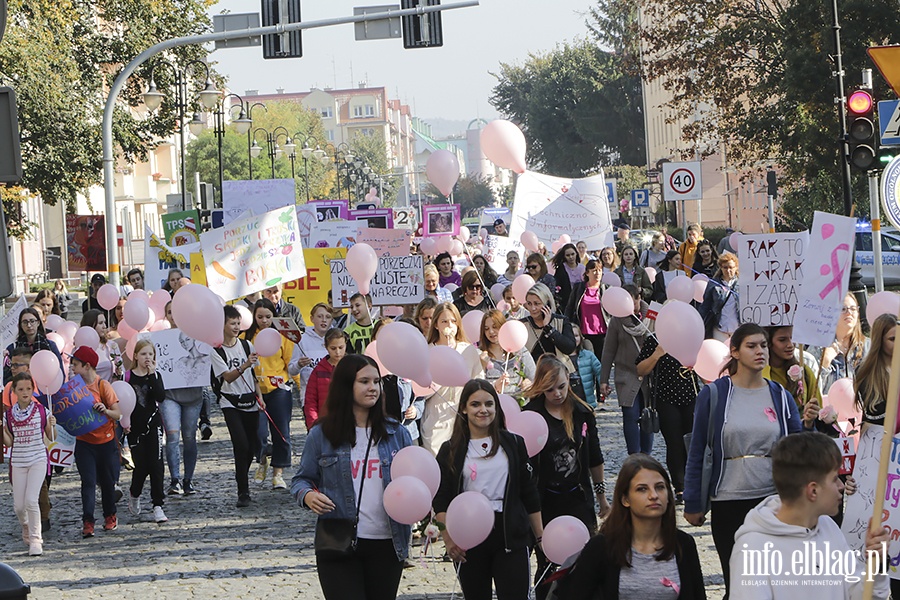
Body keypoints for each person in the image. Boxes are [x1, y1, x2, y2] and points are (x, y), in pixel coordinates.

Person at [683, 323, 811, 598]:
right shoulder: (715, 394)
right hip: (729, 500)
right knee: (739, 583)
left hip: (772, 500)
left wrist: (812, 423)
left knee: (775, 580)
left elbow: (797, 447)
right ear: (735, 352)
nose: (760, 351)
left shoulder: (780, 395)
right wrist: (694, 502)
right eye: (751, 346)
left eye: (763, 345)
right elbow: (698, 450)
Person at [292, 354, 414, 600]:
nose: (373, 388)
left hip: (387, 542)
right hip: (338, 541)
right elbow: (301, 479)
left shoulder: (396, 433)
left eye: (376, 381)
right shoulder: (322, 434)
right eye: (364, 381)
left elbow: (413, 482)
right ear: (347, 386)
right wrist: (308, 496)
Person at [729, 432, 889, 598]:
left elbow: (859, 595)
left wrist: (876, 563)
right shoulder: (753, 549)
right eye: (835, 479)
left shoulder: (829, 528)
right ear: (813, 491)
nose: (841, 486)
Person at [434, 379, 543, 599]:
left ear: (496, 407)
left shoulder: (514, 444)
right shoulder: (451, 450)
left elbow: (529, 493)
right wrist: (448, 539)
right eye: (475, 404)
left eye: (489, 404)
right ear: (464, 408)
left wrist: (540, 538)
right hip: (469, 538)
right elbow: (441, 499)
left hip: (509, 534)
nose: (483, 410)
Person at [559, 454, 707, 600]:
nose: (653, 495)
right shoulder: (601, 547)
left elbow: (697, 594)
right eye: (642, 489)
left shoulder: (683, 544)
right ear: (625, 499)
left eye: (660, 487)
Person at [522, 355, 610, 599]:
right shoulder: (531, 415)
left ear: (568, 381)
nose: (557, 394)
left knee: (584, 563)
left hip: (577, 498)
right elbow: (525, 468)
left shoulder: (582, 412)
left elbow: (595, 457)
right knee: (548, 564)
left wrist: (602, 497)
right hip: (545, 501)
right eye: (549, 389)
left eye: (561, 387)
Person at [210, 305, 264, 507]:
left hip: (250, 400)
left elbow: (255, 376)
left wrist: (260, 397)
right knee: (240, 444)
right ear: (222, 325)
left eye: (238, 323)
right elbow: (228, 377)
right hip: (230, 402)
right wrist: (244, 365)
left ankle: (243, 475)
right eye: (232, 323)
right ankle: (243, 491)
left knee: (250, 448)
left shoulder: (247, 346)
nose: (236, 327)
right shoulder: (217, 351)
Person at [244, 298, 297, 491]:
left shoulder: (281, 336)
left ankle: (278, 474)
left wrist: (300, 385)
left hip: (279, 389)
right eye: (260, 317)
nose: (264, 321)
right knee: (257, 433)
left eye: (268, 317)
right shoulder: (246, 337)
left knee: (281, 432)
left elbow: (290, 362)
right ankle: (262, 458)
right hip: (255, 390)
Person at [70, 346, 122, 538]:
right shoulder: (73, 387)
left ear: (87, 365)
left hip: (106, 442)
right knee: (88, 482)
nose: (73, 369)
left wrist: (105, 410)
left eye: (76, 365)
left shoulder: (103, 386)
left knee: (107, 482)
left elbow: (118, 413)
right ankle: (88, 521)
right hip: (84, 442)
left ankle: (110, 515)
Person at [420, 302, 484, 455]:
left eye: (453, 321)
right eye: (444, 321)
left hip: (463, 417)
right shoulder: (427, 351)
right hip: (437, 418)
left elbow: (478, 382)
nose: (449, 325)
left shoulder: (468, 350)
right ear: (436, 325)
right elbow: (421, 390)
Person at [3, 372, 55, 556]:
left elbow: (50, 437)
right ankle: (25, 525)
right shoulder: (9, 415)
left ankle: (35, 539)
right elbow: (9, 443)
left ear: (33, 390)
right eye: (21, 389)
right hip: (18, 460)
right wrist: (3, 430)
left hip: (38, 459)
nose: (25, 392)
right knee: (18, 505)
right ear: (14, 391)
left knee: (31, 500)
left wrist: (52, 425)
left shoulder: (42, 411)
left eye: (28, 388)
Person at [601, 284, 654, 453]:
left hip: (648, 374)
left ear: (639, 298)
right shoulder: (617, 321)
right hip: (626, 373)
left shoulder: (652, 317)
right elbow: (608, 351)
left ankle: (646, 455)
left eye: (634, 301)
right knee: (630, 415)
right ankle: (634, 455)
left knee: (647, 415)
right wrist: (603, 380)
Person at [159, 301, 204, 497]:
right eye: (170, 312)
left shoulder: (199, 337)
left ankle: (188, 480)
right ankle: (175, 479)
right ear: (166, 316)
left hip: (193, 396)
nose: (174, 316)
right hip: (170, 396)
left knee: (189, 438)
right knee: (173, 436)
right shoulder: (160, 339)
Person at [124, 339, 168, 524]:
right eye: (143, 354)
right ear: (135, 356)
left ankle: (158, 505)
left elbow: (161, 397)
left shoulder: (155, 376)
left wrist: (152, 375)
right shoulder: (127, 377)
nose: (147, 357)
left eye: (150, 354)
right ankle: (135, 493)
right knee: (141, 466)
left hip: (154, 425)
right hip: (135, 427)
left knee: (157, 465)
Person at [816, 292, 868, 394]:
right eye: (843, 309)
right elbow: (814, 390)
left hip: (862, 408)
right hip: (830, 408)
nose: (849, 313)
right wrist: (825, 363)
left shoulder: (868, 346)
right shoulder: (819, 347)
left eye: (853, 309)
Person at [479, 309, 535, 399]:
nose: (491, 332)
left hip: (519, 404)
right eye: (486, 329)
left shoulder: (519, 350)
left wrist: (529, 383)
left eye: (495, 327)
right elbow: (477, 386)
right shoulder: (481, 355)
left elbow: (534, 376)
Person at [521, 283, 577, 368]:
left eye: (537, 303)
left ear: (547, 304)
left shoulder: (561, 321)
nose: (533, 308)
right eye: (529, 303)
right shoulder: (523, 325)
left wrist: (549, 328)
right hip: (534, 375)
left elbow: (569, 348)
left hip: (559, 373)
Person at [289, 303, 333, 406]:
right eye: (319, 316)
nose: (324, 320)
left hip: (333, 397)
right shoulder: (302, 340)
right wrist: (298, 364)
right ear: (312, 318)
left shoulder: (336, 339)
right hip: (310, 398)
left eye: (328, 317)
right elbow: (291, 370)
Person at [4, 308, 62, 383]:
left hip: (44, 388)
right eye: (25, 322)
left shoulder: (50, 345)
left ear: (38, 323)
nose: (29, 325)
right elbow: (6, 376)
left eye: (32, 321)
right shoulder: (13, 347)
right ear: (20, 325)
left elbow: (59, 371)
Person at [304, 328, 348, 427]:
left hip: (348, 423)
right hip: (325, 423)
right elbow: (310, 401)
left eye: (341, 347)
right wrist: (313, 424)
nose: (337, 352)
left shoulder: (353, 368)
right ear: (326, 347)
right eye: (333, 348)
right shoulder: (318, 371)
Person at [565, 259, 605, 365]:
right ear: (587, 273)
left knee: (601, 363)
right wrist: (568, 325)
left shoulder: (606, 288)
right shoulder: (579, 288)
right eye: (594, 270)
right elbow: (570, 308)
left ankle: (600, 382)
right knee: (588, 362)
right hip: (585, 332)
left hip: (602, 333)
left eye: (600, 270)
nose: (597, 273)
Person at [698, 254, 740, 341]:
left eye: (731, 267)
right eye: (725, 267)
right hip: (720, 328)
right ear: (720, 267)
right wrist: (699, 321)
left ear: (736, 267)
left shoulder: (742, 283)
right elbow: (706, 305)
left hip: (738, 328)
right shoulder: (713, 284)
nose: (728, 270)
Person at [80, 309, 123, 382]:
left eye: (104, 322)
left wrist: (119, 374)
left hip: (109, 388)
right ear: (91, 325)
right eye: (100, 323)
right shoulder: (81, 347)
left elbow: (121, 370)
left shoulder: (111, 345)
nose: (104, 326)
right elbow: (73, 374)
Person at [571, 324, 603, 409]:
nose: (574, 338)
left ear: (581, 337)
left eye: (576, 335)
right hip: (568, 400)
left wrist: (603, 385)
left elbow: (600, 371)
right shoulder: (560, 356)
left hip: (586, 399)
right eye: (570, 335)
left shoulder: (588, 355)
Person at [553, 243, 585, 311]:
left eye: (572, 254)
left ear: (576, 253)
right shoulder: (561, 269)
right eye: (568, 255)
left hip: (581, 301)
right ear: (564, 256)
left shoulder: (582, 268)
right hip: (566, 302)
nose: (571, 257)